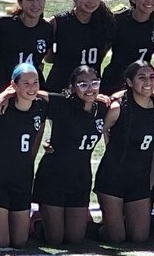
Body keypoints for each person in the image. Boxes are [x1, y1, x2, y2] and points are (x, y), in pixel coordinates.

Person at [33, 66, 108, 245]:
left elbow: (126, 96)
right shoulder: (63, 104)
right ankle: (34, 224)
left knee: (75, 239)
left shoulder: (103, 108)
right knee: (55, 239)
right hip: (54, 177)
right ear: (73, 87)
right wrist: (7, 93)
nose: (90, 88)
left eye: (94, 83)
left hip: (80, 178)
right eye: (83, 84)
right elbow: (33, 92)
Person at [95, 60, 154, 243]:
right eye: (141, 78)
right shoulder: (118, 108)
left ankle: (122, 218)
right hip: (113, 177)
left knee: (139, 237)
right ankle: (95, 229)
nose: (148, 82)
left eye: (151, 77)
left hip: (139, 179)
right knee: (117, 238)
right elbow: (98, 129)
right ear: (129, 82)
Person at [0, 63, 48, 248]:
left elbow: (72, 99)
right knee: (1, 242)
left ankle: (3, 224)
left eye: (35, 82)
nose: (31, 87)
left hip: (23, 179)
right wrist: (4, 94)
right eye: (25, 83)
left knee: (20, 241)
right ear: (14, 85)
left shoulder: (41, 107)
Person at [48, 0, 116, 91]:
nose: (92, 1)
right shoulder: (58, 23)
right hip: (61, 87)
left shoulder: (106, 23)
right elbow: (48, 58)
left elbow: (104, 52)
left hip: (90, 89)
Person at [101, 0, 154, 94]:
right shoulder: (118, 21)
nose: (150, 0)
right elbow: (102, 51)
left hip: (141, 84)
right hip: (115, 82)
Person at [0, 0, 53, 92]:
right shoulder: (5, 25)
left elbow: (47, 57)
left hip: (33, 91)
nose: (35, 4)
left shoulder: (46, 28)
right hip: (6, 90)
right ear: (20, 2)